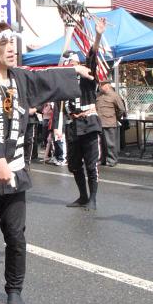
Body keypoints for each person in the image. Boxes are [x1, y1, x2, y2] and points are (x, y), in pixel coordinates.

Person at [0, 21, 92, 304]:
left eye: (12, 43)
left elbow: (45, 79)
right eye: (3, 44)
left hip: (15, 167)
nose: (11, 49)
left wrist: (73, 72)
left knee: (16, 234)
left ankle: (14, 289)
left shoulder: (19, 78)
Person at [64, 18, 106, 209]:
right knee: (73, 164)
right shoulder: (63, 82)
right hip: (72, 125)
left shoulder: (87, 77)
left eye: (73, 63)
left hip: (89, 124)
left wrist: (97, 35)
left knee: (91, 164)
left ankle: (93, 198)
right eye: (68, 63)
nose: (71, 66)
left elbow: (92, 56)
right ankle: (82, 196)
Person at [96, 76, 126, 168]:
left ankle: (112, 160)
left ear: (107, 85)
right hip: (99, 123)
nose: (100, 86)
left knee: (110, 143)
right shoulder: (99, 95)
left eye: (102, 85)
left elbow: (121, 109)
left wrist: (115, 118)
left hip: (109, 122)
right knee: (101, 143)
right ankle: (103, 159)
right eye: (100, 84)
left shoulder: (114, 95)